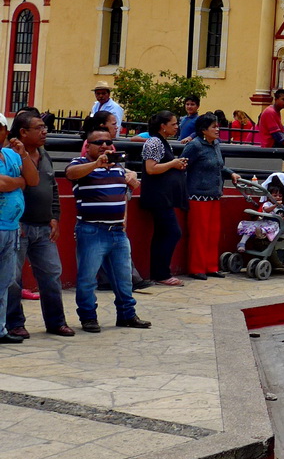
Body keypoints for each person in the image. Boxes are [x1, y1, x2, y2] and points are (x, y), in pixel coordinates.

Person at [67, 128, 151, 332]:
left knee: (123, 278)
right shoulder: (79, 164)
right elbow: (70, 174)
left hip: (117, 232)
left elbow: (124, 195)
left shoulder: (118, 168)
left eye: (108, 142)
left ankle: (127, 315)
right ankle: (88, 317)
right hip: (92, 230)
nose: (105, 146)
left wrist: (131, 180)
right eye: (99, 143)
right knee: (87, 278)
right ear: (88, 146)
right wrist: (96, 164)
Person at [6, 111, 74, 337]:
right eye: (39, 128)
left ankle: (56, 322)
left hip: (44, 227)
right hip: (19, 226)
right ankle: (15, 322)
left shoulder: (44, 155)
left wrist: (55, 216)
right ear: (23, 132)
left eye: (45, 128)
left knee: (52, 274)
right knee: (13, 279)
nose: (45, 131)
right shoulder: (10, 156)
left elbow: (53, 187)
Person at [183, 113, 242, 280]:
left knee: (213, 233)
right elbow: (182, 165)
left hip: (215, 195)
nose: (218, 129)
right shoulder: (194, 146)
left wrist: (231, 174)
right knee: (199, 234)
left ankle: (211, 266)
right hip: (197, 196)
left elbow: (218, 166)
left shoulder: (215, 144)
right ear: (203, 130)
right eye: (214, 127)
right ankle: (196, 268)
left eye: (218, 126)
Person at [0, 118, 40, 343]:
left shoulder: (13, 155)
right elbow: (3, 184)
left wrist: (23, 154)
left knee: (4, 282)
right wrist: (18, 182)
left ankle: (0, 329)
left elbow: (32, 180)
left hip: (11, 227)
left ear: (5, 131)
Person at [139, 111, 189, 287]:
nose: (176, 127)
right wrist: (173, 163)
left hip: (163, 196)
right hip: (157, 196)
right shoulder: (153, 142)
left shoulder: (164, 142)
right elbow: (151, 168)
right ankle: (161, 273)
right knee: (172, 232)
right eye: (173, 124)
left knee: (162, 233)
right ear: (163, 126)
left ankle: (158, 272)